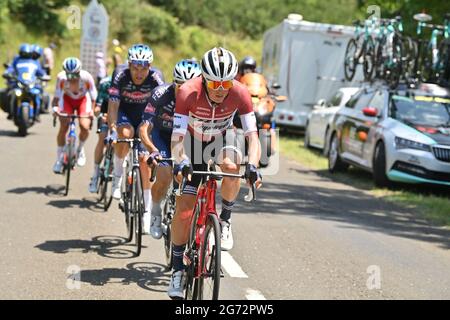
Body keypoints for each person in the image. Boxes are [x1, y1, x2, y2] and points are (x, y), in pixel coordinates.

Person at [167, 47, 262, 299]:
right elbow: (177, 138)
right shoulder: (188, 91)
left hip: (222, 139)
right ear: (204, 79)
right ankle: (177, 268)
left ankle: (226, 219)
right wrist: (182, 160)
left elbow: (253, 137)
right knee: (185, 208)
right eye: (215, 83)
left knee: (233, 168)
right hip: (192, 143)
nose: (221, 88)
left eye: (226, 82)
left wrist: (253, 165)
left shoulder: (240, 93)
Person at [139, 59, 202, 237]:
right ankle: (156, 211)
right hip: (162, 135)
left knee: (190, 176)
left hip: (186, 138)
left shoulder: (202, 99)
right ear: (173, 82)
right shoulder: (160, 94)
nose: (184, 90)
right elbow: (144, 127)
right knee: (165, 174)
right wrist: (152, 149)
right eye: (179, 86)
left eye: (189, 86)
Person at [107, 44, 164, 235]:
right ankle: (117, 175)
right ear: (129, 65)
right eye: (135, 67)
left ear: (149, 66)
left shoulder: (156, 78)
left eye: (144, 67)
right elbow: (113, 105)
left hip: (144, 117)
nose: (139, 72)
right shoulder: (120, 75)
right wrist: (113, 129)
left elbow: (159, 110)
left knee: (144, 160)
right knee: (124, 136)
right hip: (124, 113)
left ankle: (147, 211)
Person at [52, 57, 97, 174]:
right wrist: (55, 109)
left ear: (79, 72)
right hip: (67, 100)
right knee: (63, 126)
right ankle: (59, 159)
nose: (71, 78)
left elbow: (93, 97)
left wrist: (91, 111)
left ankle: (80, 149)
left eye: (75, 75)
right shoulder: (61, 78)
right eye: (69, 75)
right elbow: (56, 97)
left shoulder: (86, 77)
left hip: (83, 100)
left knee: (84, 126)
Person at [88, 76, 111, 193]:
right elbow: (97, 107)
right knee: (103, 137)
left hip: (120, 117)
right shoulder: (106, 84)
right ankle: (96, 172)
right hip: (105, 114)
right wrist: (99, 114)